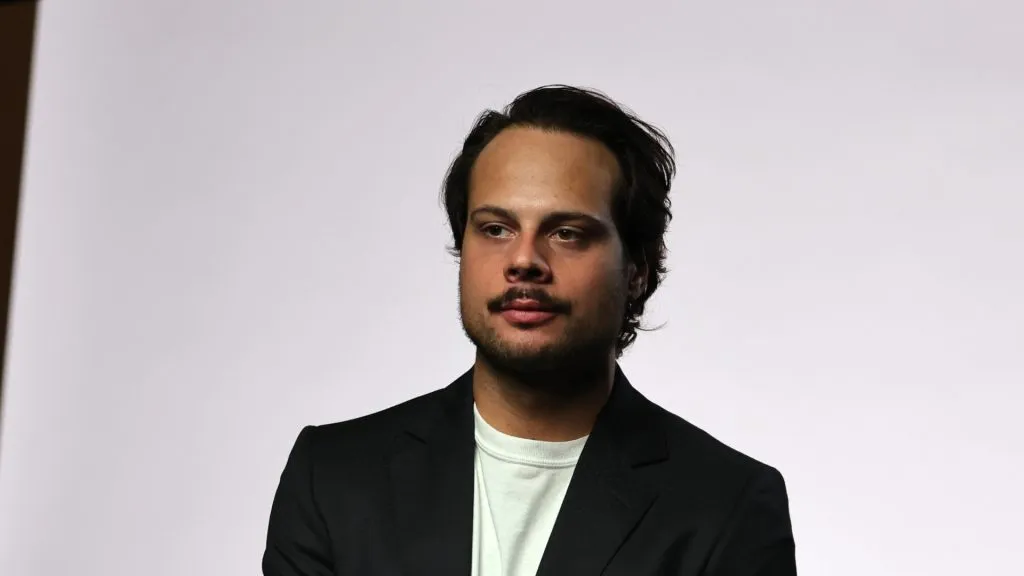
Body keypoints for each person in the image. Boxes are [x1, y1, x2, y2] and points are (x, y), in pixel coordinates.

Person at [262, 85, 797, 576]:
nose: (523, 261)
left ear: (637, 272)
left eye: (567, 233)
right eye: (495, 229)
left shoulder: (728, 506)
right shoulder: (333, 479)